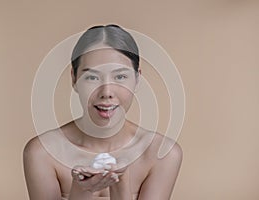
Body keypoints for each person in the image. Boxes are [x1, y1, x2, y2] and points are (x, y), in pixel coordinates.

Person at [23, 24, 183, 200]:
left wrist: (121, 187)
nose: (106, 91)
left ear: (137, 79)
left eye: (120, 77)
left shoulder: (162, 154)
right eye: (92, 77)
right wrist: (81, 190)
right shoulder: (41, 153)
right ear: (74, 79)